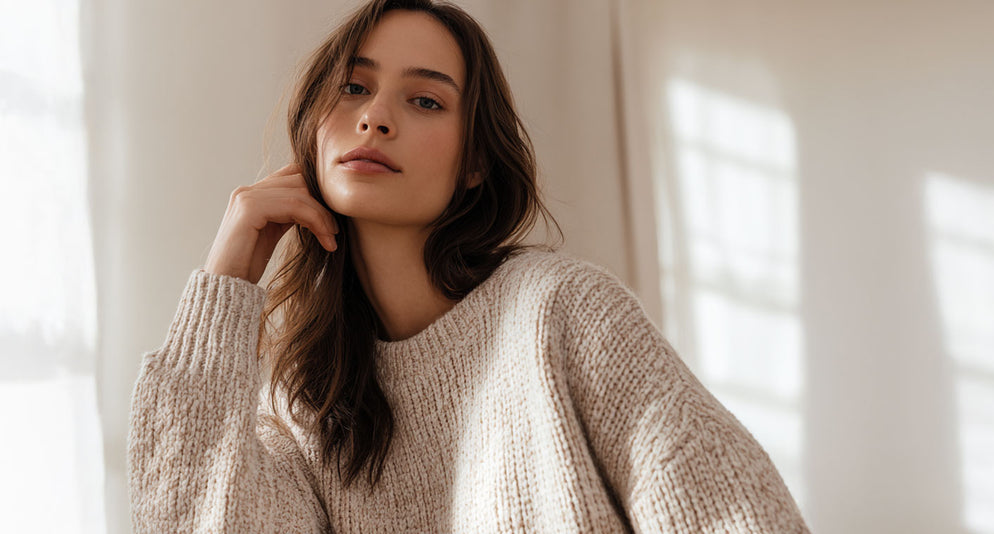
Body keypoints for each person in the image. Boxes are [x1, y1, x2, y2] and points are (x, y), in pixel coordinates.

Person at [124, 0, 809, 532]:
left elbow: (732, 513)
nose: (376, 118)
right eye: (354, 88)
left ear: (476, 161)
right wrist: (228, 277)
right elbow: (189, 517)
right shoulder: (305, 401)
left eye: (424, 100)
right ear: (313, 128)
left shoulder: (563, 312)